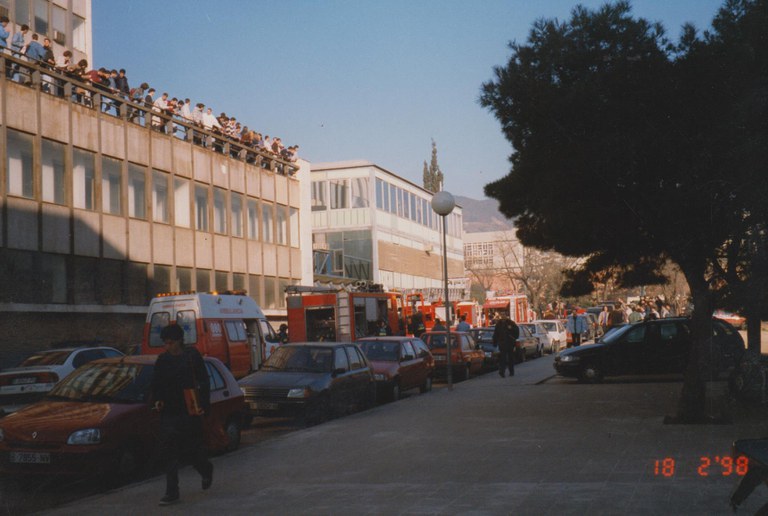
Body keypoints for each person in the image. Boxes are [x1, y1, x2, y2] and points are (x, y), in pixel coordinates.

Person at [151, 324, 213, 506]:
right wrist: (157, 399)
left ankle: (205, 469)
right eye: (165, 343)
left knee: (191, 451)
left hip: (190, 411)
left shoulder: (192, 357)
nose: (167, 346)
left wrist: (204, 404)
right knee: (169, 452)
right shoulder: (162, 360)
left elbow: (204, 380)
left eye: (170, 343)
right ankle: (172, 492)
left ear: (179, 341)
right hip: (170, 412)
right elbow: (156, 383)